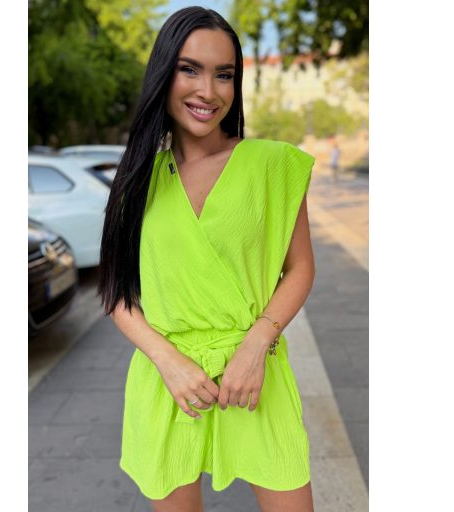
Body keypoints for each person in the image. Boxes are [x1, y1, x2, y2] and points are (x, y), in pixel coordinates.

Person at [98, 7, 316, 512]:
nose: (208, 91)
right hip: (168, 381)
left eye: (224, 74)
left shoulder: (271, 164)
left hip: (254, 372)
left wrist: (257, 344)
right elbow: (118, 294)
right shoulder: (136, 180)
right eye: (189, 69)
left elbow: (300, 268)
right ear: (163, 73)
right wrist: (168, 362)